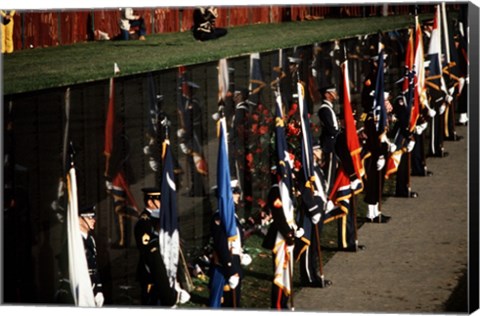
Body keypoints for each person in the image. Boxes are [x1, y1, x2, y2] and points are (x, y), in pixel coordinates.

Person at [134, 187, 190, 306]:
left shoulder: (160, 219)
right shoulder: (144, 224)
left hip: (166, 276)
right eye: (160, 200)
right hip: (155, 279)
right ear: (150, 202)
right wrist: (169, 294)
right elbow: (153, 258)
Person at [208, 180, 252, 308]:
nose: (239, 195)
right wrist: (231, 270)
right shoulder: (220, 218)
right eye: (236, 192)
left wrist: (241, 255)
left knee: (234, 304)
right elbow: (221, 246)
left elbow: (235, 241)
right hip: (225, 268)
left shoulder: (232, 216)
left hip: (234, 264)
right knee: (227, 305)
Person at [230, 88, 252, 217]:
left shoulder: (240, 111)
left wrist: (228, 137)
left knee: (240, 175)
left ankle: (242, 201)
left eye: (236, 95)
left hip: (238, 148)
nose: (234, 98)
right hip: (243, 147)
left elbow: (235, 131)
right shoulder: (245, 108)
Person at [78, 205, 105, 307]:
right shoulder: (75, 239)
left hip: (92, 285)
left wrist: (98, 288)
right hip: (81, 286)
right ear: (80, 219)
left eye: (94, 217)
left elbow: (94, 266)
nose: (93, 220)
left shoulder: (91, 239)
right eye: (90, 217)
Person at [317, 84, 340, 194]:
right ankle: (328, 195)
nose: (335, 94)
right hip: (329, 145)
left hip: (334, 143)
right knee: (329, 173)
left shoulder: (329, 108)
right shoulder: (324, 110)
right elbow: (330, 129)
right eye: (333, 92)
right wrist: (339, 134)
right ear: (327, 94)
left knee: (334, 170)